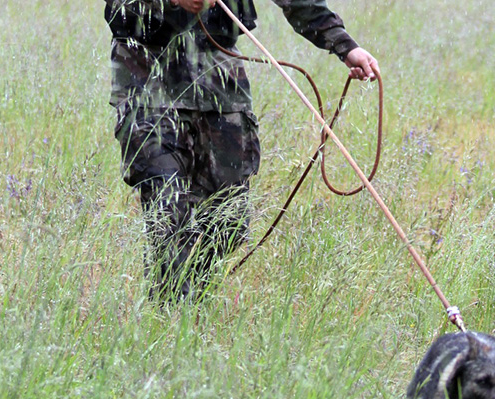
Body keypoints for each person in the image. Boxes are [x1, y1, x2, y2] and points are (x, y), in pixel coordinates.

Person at [104, 0, 379, 301]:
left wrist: (345, 46)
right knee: (167, 209)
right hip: (145, 75)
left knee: (230, 219)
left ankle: (193, 300)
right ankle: (172, 308)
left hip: (219, 77)